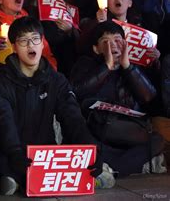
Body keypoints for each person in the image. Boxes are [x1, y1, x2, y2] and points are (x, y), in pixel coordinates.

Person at [0, 16, 111, 196]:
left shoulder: (56, 79)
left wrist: (90, 148)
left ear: (43, 43)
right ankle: (11, 178)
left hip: (44, 152)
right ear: (13, 46)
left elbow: (72, 116)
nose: (31, 45)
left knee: (81, 161)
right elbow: (1, 118)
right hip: (11, 150)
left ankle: (22, 180)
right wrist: (14, 151)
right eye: (23, 40)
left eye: (35, 39)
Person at [70, 21, 166, 175]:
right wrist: (107, 66)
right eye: (106, 42)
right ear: (96, 48)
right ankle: (128, 165)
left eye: (117, 41)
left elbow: (148, 96)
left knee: (158, 140)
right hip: (98, 127)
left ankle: (111, 167)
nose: (113, 45)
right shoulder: (86, 63)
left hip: (128, 129)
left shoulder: (131, 66)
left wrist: (128, 66)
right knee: (91, 139)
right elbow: (77, 90)